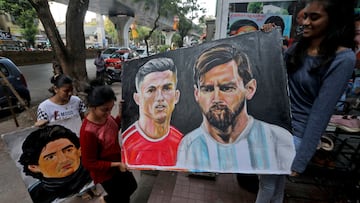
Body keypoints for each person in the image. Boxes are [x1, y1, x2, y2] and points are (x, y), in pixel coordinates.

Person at [258, 0, 356, 202]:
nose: (306, 22)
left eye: (315, 17)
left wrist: (302, 159)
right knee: (273, 185)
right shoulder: (298, 48)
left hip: (296, 136)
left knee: (268, 185)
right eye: (305, 16)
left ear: (333, 21)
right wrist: (267, 40)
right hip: (276, 127)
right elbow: (276, 76)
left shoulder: (343, 59)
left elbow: (322, 112)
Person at [176, 44, 295, 173]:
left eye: (226, 88)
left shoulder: (278, 141)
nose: (216, 99)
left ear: (250, 89)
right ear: (196, 94)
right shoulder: (189, 146)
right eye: (208, 89)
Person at [80, 80, 137, 203]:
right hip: (105, 173)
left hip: (118, 162)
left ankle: (105, 199)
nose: (108, 113)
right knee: (122, 198)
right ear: (92, 107)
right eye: (105, 109)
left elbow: (112, 128)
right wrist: (116, 165)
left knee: (132, 186)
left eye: (111, 109)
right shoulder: (88, 132)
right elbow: (89, 163)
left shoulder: (105, 117)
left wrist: (120, 115)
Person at [122, 57, 183, 167]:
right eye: (151, 90)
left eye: (166, 88)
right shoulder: (127, 143)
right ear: (137, 99)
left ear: (176, 96)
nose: (160, 97)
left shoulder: (183, 143)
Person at [18, 125, 93, 203]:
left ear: (79, 150)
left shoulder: (95, 172)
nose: (64, 160)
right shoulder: (38, 196)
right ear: (33, 167)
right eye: (50, 157)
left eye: (68, 150)